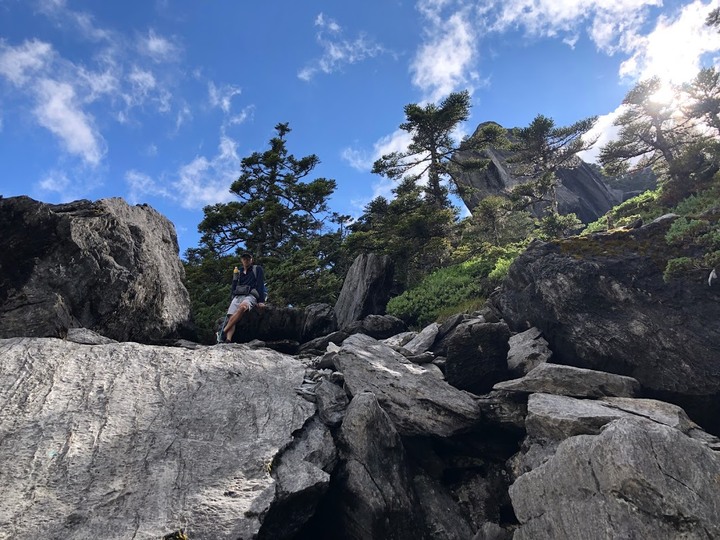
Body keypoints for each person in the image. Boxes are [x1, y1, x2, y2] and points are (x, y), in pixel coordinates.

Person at [219, 252, 266, 343]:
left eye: (248, 259)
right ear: (241, 260)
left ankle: (222, 332)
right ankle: (228, 339)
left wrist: (261, 301)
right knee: (231, 316)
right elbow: (234, 284)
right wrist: (232, 296)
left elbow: (260, 284)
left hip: (250, 295)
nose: (246, 260)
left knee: (243, 307)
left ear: (251, 260)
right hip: (238, 295)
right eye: (244, 259)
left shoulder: (257, 269)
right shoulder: (238, 271)